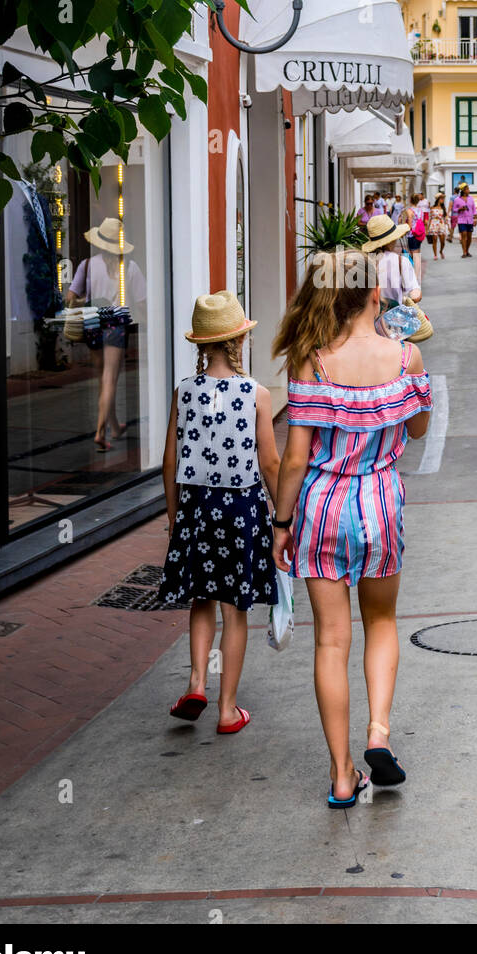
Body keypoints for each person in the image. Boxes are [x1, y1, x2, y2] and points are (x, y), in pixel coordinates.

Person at [271, 251, 432, 806]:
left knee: (331, 640)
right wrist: (413, 372)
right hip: (380, 503)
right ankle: (378, 733)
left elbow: (294, 460)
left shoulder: (309, 363)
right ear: (373, 295)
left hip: (321, 507)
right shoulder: (405, 357)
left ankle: (342, 775)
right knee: (381, 620)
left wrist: (281, 524)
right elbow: (416, 429)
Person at [160, 292, 280, 733]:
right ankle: (228, 710)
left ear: (202, 344)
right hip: (241, 507)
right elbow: (269, 464)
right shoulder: (256, 394)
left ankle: (196, 682)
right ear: (237, 342)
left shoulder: (185, 392)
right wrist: (283, 514)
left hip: (194, 505)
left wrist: (175, 517)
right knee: (235, 608)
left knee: (201, 597)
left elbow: (169, 462)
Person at [67, 217, 147, 451]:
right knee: (110, 378)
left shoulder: (87, 264)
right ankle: (100, 432)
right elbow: (142, 303)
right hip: (115, 323)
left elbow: (70, 297)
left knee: (103, 378)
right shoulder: (130, 267)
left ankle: (114, 426)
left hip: (92, 322)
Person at [361, 214, 422, 309]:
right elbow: (416, 296)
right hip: (393, 318)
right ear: (392, 239)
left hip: (369, 319)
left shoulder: (364, 262)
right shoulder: (401, 262)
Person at [402, 192, 426, 284]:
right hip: (419, 234)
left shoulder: (409, 211)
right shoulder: (420, 210)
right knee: (417, 254)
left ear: (410, 200)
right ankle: (416, 276)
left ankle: (416, 277)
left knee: (414, 255)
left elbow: (410, 224)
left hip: (412, 234)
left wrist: (405, 230)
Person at [451, 184, 477, 257]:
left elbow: (474, 209)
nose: (469, 190)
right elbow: (454, 209)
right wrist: (460, 209)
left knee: (469, 237)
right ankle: (464, 252)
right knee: (464, 235)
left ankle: (467, 250)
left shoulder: (471, 198)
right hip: (461, 220)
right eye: (467, 189)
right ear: (463, 190)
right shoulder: (457, 199)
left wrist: (475, 219)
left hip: (470, 220)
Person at [426, 194, 448, 259]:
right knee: (434, 239)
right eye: (441, 198)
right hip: (433, 224)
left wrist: (447, 224)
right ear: (438, 199)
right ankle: (435, 255)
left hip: (441, 224)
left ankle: (441, 251)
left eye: (443, 199)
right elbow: (429, 218)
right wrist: (427, 229)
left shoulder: (443, 208)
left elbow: (445, 217)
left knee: (442, 241)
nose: (443, 200)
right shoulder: (432, 208)